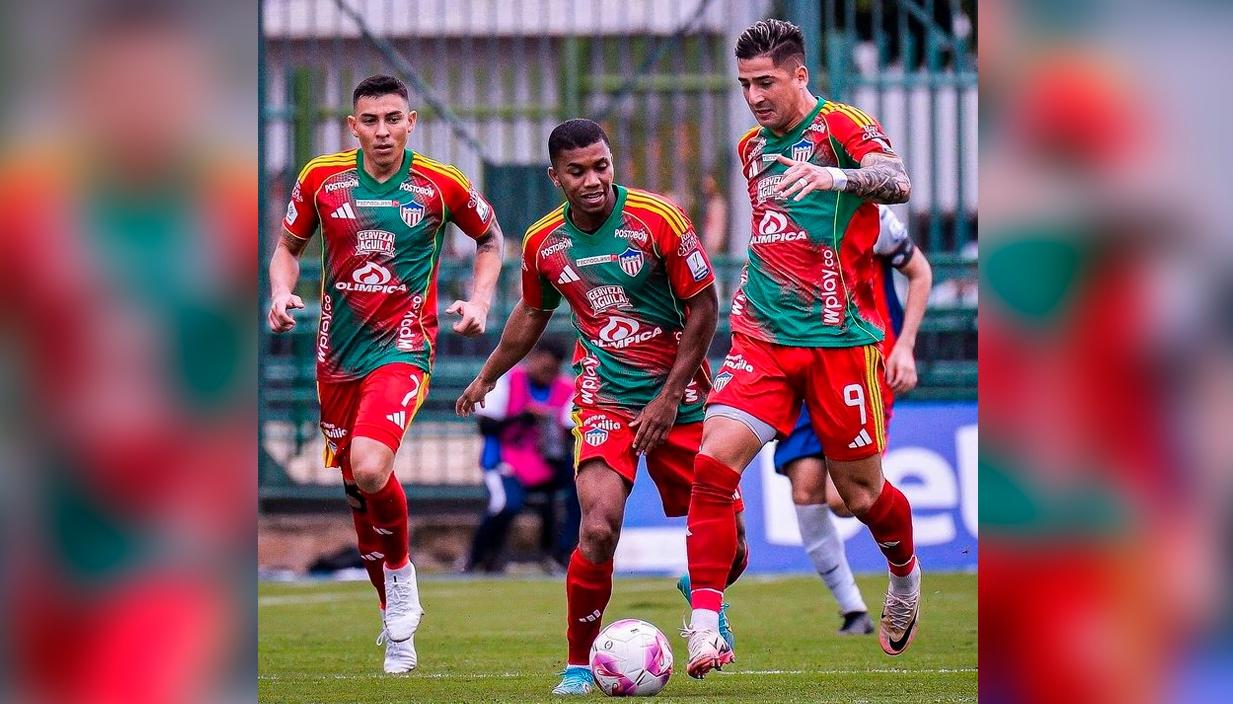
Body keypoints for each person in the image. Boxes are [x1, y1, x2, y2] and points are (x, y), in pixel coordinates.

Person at [456, 119, 748, 696]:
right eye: (578, 171)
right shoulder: (544, 242)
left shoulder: (658, 220)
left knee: (734, 548)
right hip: (604, 397)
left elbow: (705, 309)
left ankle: (702, 591)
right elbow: (531, 314)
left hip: (681, 398)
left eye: (601, 166)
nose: (593, 180)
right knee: (596, 528)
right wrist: (488, 375)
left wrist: (668, 397)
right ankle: (577, 664)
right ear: (555, 177)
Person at [681, 19, 922, 678]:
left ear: (799, 75)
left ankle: (903, 576)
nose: (754, 96)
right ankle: (704, 625)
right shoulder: (750, 147)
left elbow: (896, 180)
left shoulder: (840, 125)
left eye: (765, 82)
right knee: (712, 465)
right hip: (761, 336)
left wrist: (834, 178)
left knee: (861, 496)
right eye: (744, 84)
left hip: (838, 342)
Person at [267, 74, 504, 674]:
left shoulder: (440, 184)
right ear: (353, 127)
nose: (381, 131)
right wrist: (279, 292)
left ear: (410, 123)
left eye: (393, 119)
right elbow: (287, 249)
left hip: (403, 348)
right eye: (370, 121)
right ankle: (397, 630)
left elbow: (490, 239)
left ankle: (401, 577)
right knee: (359, 495)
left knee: (372, 467)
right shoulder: (321, 180)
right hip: (336, 356)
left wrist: (479, 301)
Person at [773, 204, 933, 636]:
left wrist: (905, 346)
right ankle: (853, 609)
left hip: (861, 362)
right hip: (800, 359)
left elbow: (920, 272)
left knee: (845, 500)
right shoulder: (781, 207)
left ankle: (903, 561)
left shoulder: (871, 216)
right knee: (805, 488)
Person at [466, 339, 575, 573]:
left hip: (544, 464)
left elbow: (571, 430)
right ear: (533, 359)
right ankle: (476, 559)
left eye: (553, 370)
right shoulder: (508, 381)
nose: (548, 375)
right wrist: (524, 417)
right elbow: (486, 426)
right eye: (545, 368)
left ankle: (561, 555)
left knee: (580, 487)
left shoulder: (566, 389)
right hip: (504, 462)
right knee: (506, 504)